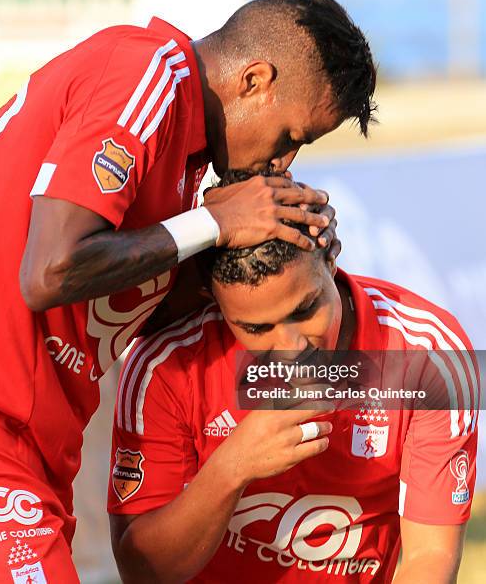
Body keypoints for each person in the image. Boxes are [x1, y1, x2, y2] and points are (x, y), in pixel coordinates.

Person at [0, 0, 376, 583]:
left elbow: (120, 306)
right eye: (289, 136)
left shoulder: (181, 170)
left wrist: (278, 254)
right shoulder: (147, 72)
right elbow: (51, 270)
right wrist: (217, 223)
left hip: (31, 460)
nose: (283, 163)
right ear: (255, 80)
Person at [108, 170, 479, 583]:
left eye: (305, 310)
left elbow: (429, 556)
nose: (291, 348)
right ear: (216, 305)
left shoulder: (428, 357)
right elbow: (142, 572)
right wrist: (232, 467)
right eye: (256, 329)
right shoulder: (167, 365)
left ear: (332, 258)